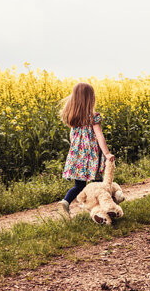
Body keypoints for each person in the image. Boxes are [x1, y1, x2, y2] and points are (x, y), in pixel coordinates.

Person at [57, 82, 115, 218]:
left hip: (77, 156)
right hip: (92, 156)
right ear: (90, 98)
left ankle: (65, 201)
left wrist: (76, 150)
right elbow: (99, 136)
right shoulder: (93, 116)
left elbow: (72, 137)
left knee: (78, 186)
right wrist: (106, 153)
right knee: (98, 185)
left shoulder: (73, 117)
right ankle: (101, 211)